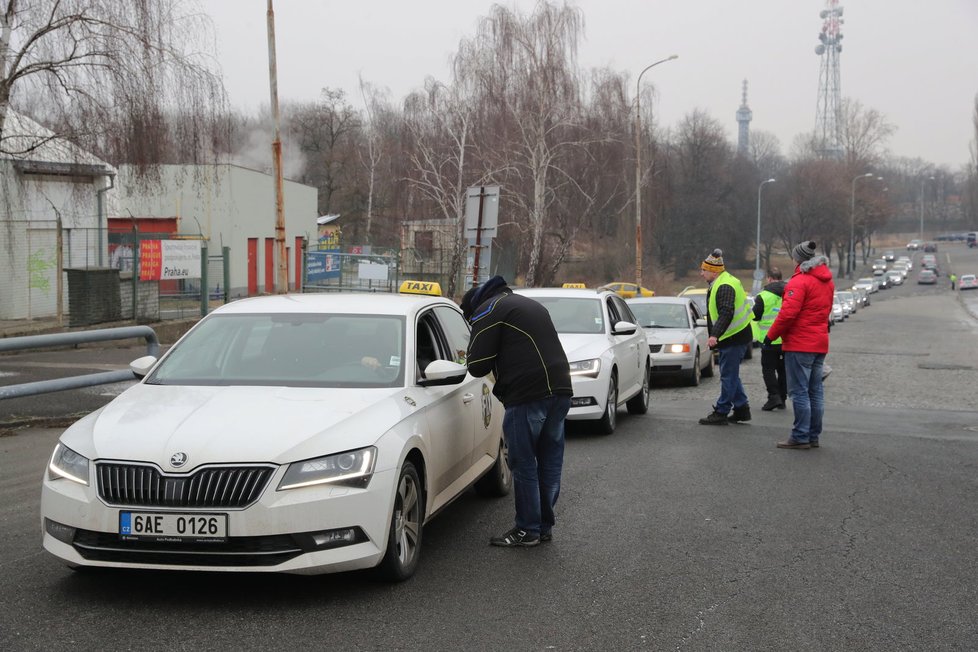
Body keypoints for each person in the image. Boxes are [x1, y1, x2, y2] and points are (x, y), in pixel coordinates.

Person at [461, 275, 573, 547]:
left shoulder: (488, 310)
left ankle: (527, 530)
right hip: (560, 390)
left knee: (522, 463)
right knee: (549, 462)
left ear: (473, 310)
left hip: (528, 394)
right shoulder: (525, 304)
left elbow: (477, 364)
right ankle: (543, 526)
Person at [765, 240, 835, 450]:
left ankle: (800, 435)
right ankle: (813, 435)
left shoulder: (799, 282)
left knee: (799, 392)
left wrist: (771, 336)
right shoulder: (827, 281)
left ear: (798, 259)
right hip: (819, 342)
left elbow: (787, 314)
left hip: (799, 344)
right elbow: (827, 311)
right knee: (816, 391)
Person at [697, 248, 754, 426]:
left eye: (704, 270)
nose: (701, 273)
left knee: (728, 376)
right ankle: (741, 409)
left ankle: (721, 411)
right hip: (735, 335)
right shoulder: (724, 281)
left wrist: (714, 335)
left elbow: (726, 313)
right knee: (731, 375)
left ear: (713, 271)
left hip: (733, 337)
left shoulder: (724, 286)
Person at [753, 268, 787, 411]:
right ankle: (783, 398)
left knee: (768, 370)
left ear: (769, 278)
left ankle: (774, 397)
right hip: (786, 340)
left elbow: (755, 316)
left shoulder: (763, 296)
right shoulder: (790, 293)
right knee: (783, 370)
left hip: (769, 340)